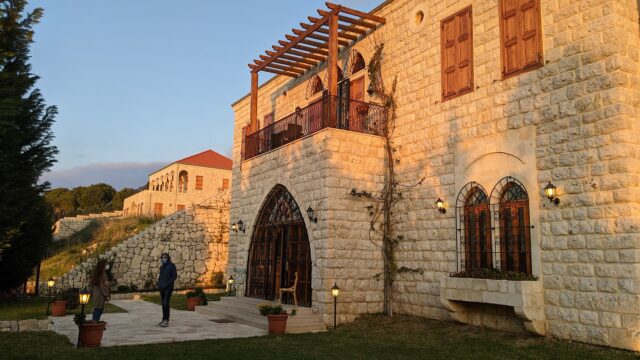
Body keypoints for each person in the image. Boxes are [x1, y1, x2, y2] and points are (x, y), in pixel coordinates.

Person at [157, 252, 177, 327]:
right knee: (163, 304)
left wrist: (167, 284)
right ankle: (163, 319)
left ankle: (166, 320)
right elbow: (160, 277)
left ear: (168, 258)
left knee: (166, 303)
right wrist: (158, 283)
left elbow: (174, 276)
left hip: (168, 288)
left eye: (165, 257)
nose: (163, 259)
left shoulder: (172, 266)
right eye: (162, 257)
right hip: (161, 288)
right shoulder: (162, 267)